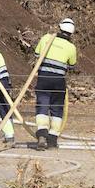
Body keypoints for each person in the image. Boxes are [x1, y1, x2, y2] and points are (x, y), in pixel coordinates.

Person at [33, 18, 78, 150]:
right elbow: (72, 65)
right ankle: (52, 140)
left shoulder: (46, 38)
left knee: (42, 105)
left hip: (43, 78)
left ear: (59, 28)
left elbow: (37, 54)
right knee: (57, 109)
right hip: (59, 81)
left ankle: (42, 134)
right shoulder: (71, 47)